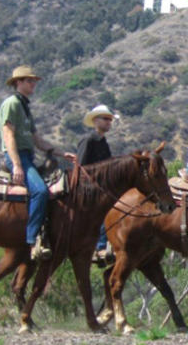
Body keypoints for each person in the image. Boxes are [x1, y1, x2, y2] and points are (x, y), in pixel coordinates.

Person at [0, 66, 76, 261]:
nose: (33, 84)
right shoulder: (12, 104)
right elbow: (8, 135)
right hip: (18, 156)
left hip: (28, 155)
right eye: (29, 81)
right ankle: (33, 240)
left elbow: (37, 139)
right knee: (40, 191)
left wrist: (60, 152)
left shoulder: (24, 107)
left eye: (34, 81)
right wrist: (16, 164)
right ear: (18, 83)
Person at [77, 104, 119, 263]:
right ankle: (101, 246)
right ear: (95, 121)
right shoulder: (88, 140)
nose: (109, 122)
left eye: (110, 120)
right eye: (106, 119)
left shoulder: (103, 142)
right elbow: (81, 167)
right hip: (88, 188)